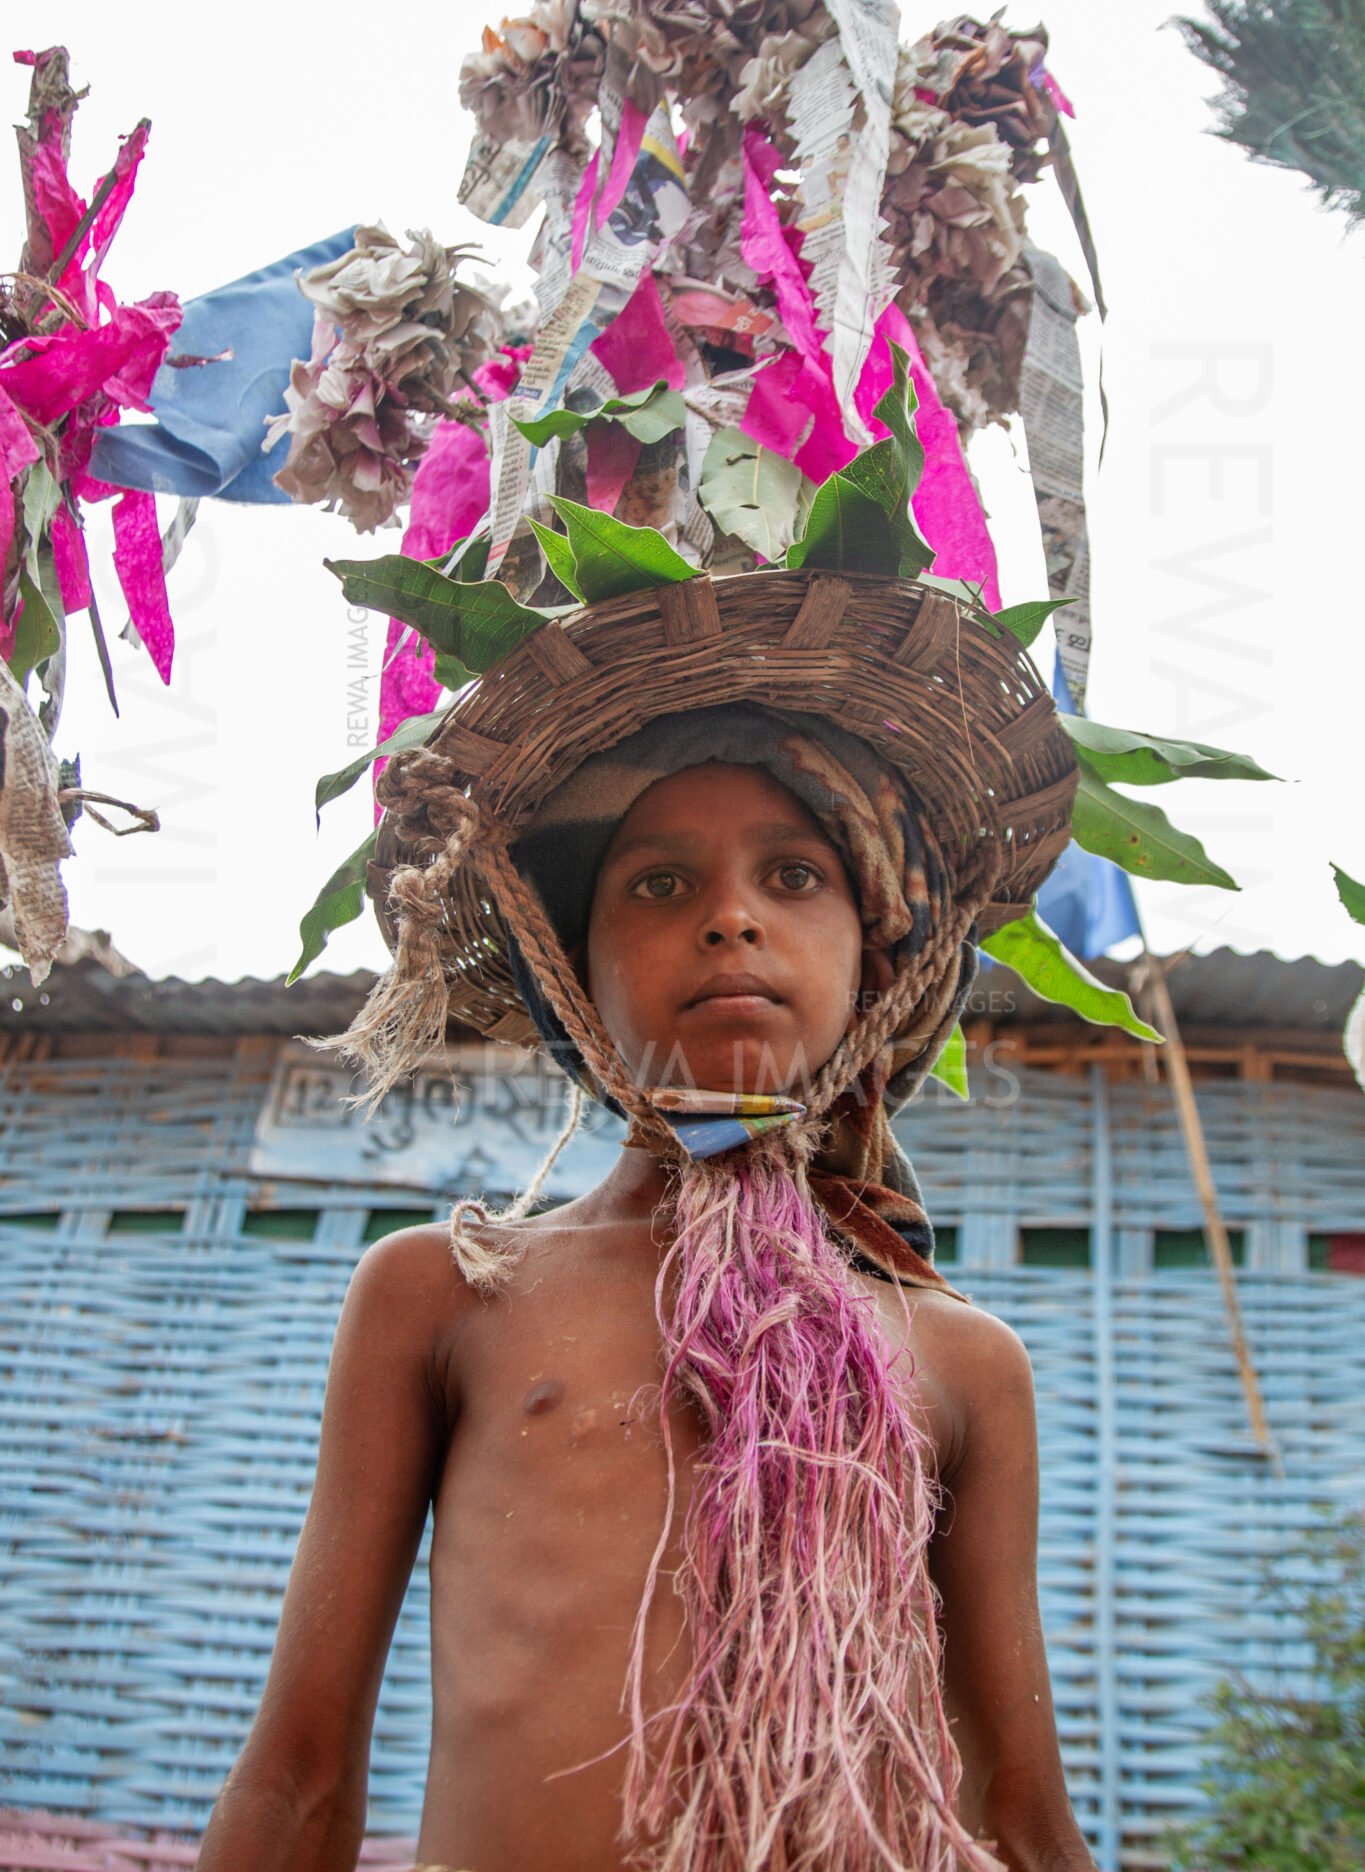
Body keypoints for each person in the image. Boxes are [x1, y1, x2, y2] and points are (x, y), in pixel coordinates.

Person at [195, 569, 1097, 1872]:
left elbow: (1020, 1816)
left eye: (795, 875)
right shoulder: (449, 1293)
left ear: (880, 963)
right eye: (659, 885)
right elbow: (295, 1778)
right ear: (570, 969)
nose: (730, 917)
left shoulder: (963, 1362)